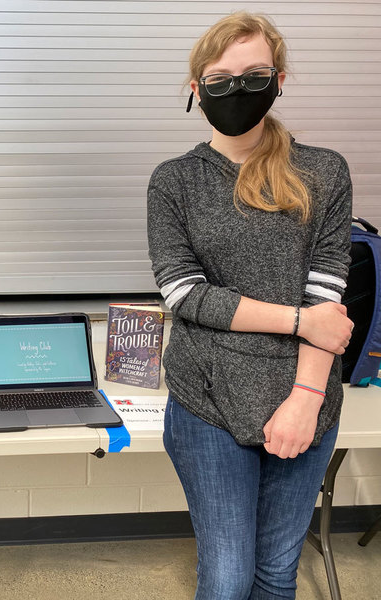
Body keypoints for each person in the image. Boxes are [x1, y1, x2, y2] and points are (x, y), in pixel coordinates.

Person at [147, 12, 354, 599]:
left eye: (254, 74)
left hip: (305, 397)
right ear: (195, 89)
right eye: (220, 77)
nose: (236, 89)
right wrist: (296, 320)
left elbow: (328, 300)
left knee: (274, 573)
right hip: (207, 401)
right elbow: (184, 294)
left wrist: (306, 399)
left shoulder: (322, 171)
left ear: (279, 79)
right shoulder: (174, 182)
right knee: (229, 574)